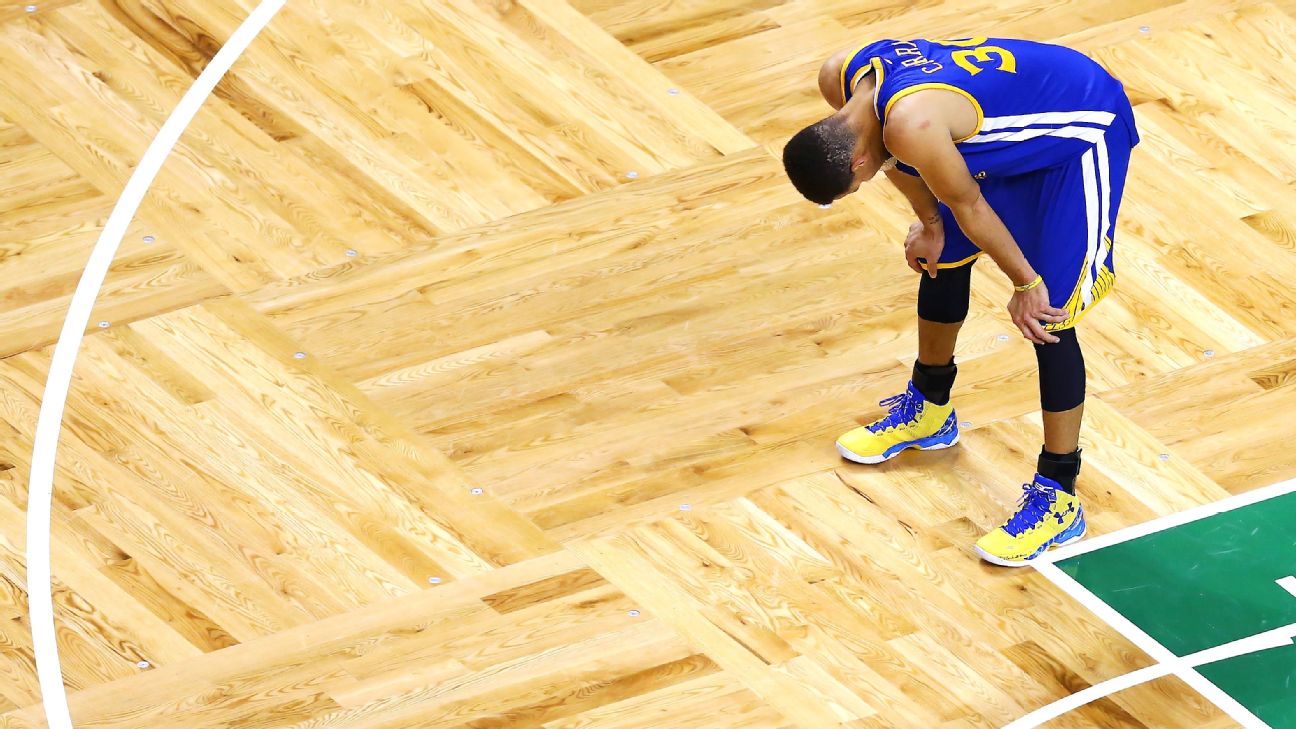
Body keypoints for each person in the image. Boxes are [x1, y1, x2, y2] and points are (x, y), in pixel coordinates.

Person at [782, 37, 1139, 566]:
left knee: (1050, 315)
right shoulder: (838, 74)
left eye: (855, 185)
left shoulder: (911, 126)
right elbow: (901, 164)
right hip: (1000, 126)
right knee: (943, 256)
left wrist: (1024, 282)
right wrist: (930, 224)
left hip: (1079, 128)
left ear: (855, 161)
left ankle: (1059, 496)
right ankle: (929, 407)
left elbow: (964, 199)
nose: (864, 182)